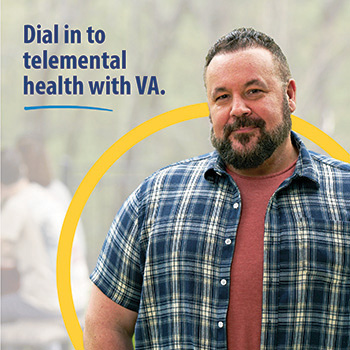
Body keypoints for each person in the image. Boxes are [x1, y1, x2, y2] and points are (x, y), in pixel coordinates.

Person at [84, 28, 350, 350]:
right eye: (222, 97)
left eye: (253, 91)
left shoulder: (345, 195)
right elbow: (104, 324)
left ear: (289, 95)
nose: (237, 108)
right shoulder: (154, 199)